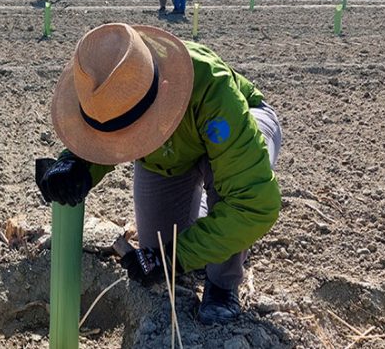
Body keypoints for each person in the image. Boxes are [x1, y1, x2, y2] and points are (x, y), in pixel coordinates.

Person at [36, 23, 282, 324]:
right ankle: (208, 227)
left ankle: (222, 285)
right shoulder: (104, 80)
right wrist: (77, 165)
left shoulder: (211, 87)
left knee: (222, 202)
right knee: (161, 253)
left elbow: (252, 204)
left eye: (133, 132)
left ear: (162, 95)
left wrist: (172, 257)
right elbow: (105, 132)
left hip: (230, 132)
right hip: (167, 159)